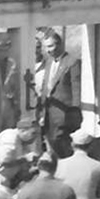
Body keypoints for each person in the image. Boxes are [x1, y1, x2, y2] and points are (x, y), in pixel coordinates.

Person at [34, 28, 82, 158]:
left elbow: (76, 90)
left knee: (63, 145)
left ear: (60, 44)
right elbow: (46, 86)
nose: (49, 50)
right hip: (49, 113)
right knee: (51, 142)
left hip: (64, 115)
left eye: (51, 46)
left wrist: (74, 114)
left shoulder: (72, 62)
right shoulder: (49, 62)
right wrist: (41, 109)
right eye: (46, 47)